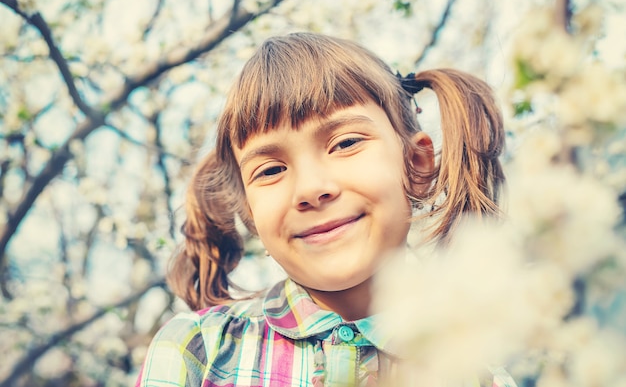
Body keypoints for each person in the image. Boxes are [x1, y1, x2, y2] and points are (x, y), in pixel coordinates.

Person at [135, 32, 514, 387]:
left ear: (416, 164)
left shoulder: (473, 369)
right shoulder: (196, 349)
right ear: (251, 214)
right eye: (270, 170)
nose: (312, 189)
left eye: (345, 143)